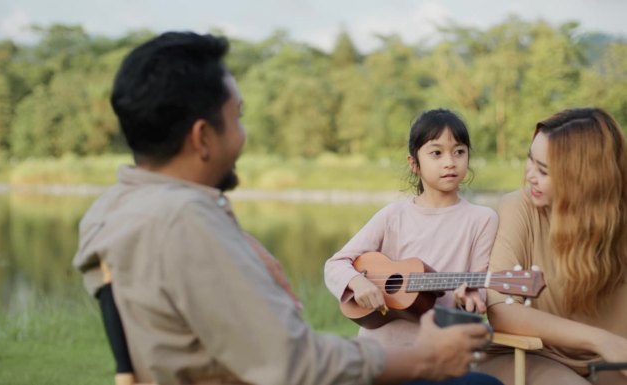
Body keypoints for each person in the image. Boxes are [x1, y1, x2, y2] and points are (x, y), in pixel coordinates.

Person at [73, 32, 501, 385]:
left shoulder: (110, 210)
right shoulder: (186, 221)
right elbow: (295, 365)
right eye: (237, 118)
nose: (243, 136)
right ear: (203, 137)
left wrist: (233, 232)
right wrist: (423, 358)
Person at [324, 109, 499, 348]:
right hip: (381, 349)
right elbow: (335, 264)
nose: (450, 162)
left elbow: (478, 288)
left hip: (441, 349)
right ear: (414, 163)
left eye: (459, 152)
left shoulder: (483, 219)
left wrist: (472, 298)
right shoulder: (393, 215)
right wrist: (357, 282)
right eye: (436, 153)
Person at [478, 108, 627, 385]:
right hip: (534, 357)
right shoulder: (519, 208)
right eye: (530, 161)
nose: (530, 175)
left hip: (610, 364)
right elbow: (501, 309)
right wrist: (602, 340)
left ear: (584, 179)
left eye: (543, 170)